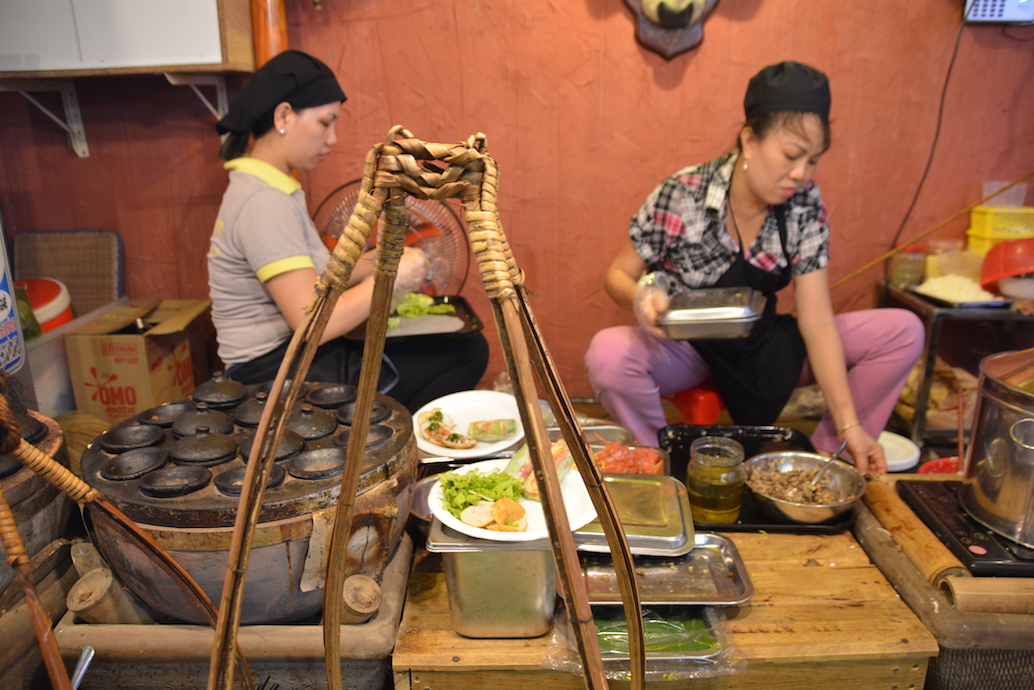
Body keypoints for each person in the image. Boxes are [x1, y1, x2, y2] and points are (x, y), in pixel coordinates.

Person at [585, 61, 924, 474]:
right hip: (689, 347)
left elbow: (816, 321)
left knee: (904, 331)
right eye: (791, 155)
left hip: (762, 343)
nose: (800, 174)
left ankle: (821, 460)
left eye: (813, 161)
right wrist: (641, 297)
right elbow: (617, 275)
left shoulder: (804, 204)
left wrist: (849, 421)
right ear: (749, 139)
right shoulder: (683, 192)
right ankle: (660, 460)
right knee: (609, 352)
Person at [208, 50, 488, 411]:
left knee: (447, 344)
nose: (332, 139)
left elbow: (318, 275)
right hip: (273, 374)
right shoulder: (263, 201)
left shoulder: (269, 187)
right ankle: (381, 444)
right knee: (466, 352)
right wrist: (392, 278)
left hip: (292, 357)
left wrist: (378, 262)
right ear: (283, 116)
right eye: (325, 123)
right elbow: (312, 322)